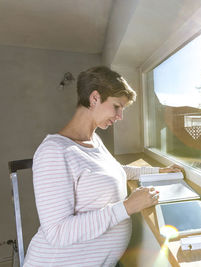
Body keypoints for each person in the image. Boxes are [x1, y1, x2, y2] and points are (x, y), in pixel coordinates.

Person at [24, 66, 182, 267]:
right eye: (117, 106)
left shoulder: (94, 140)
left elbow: (114, 171)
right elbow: (57, 232)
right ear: (95, 98)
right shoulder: (54, 152)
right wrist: (127, 207)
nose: (120, 116)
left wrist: (159, 171)